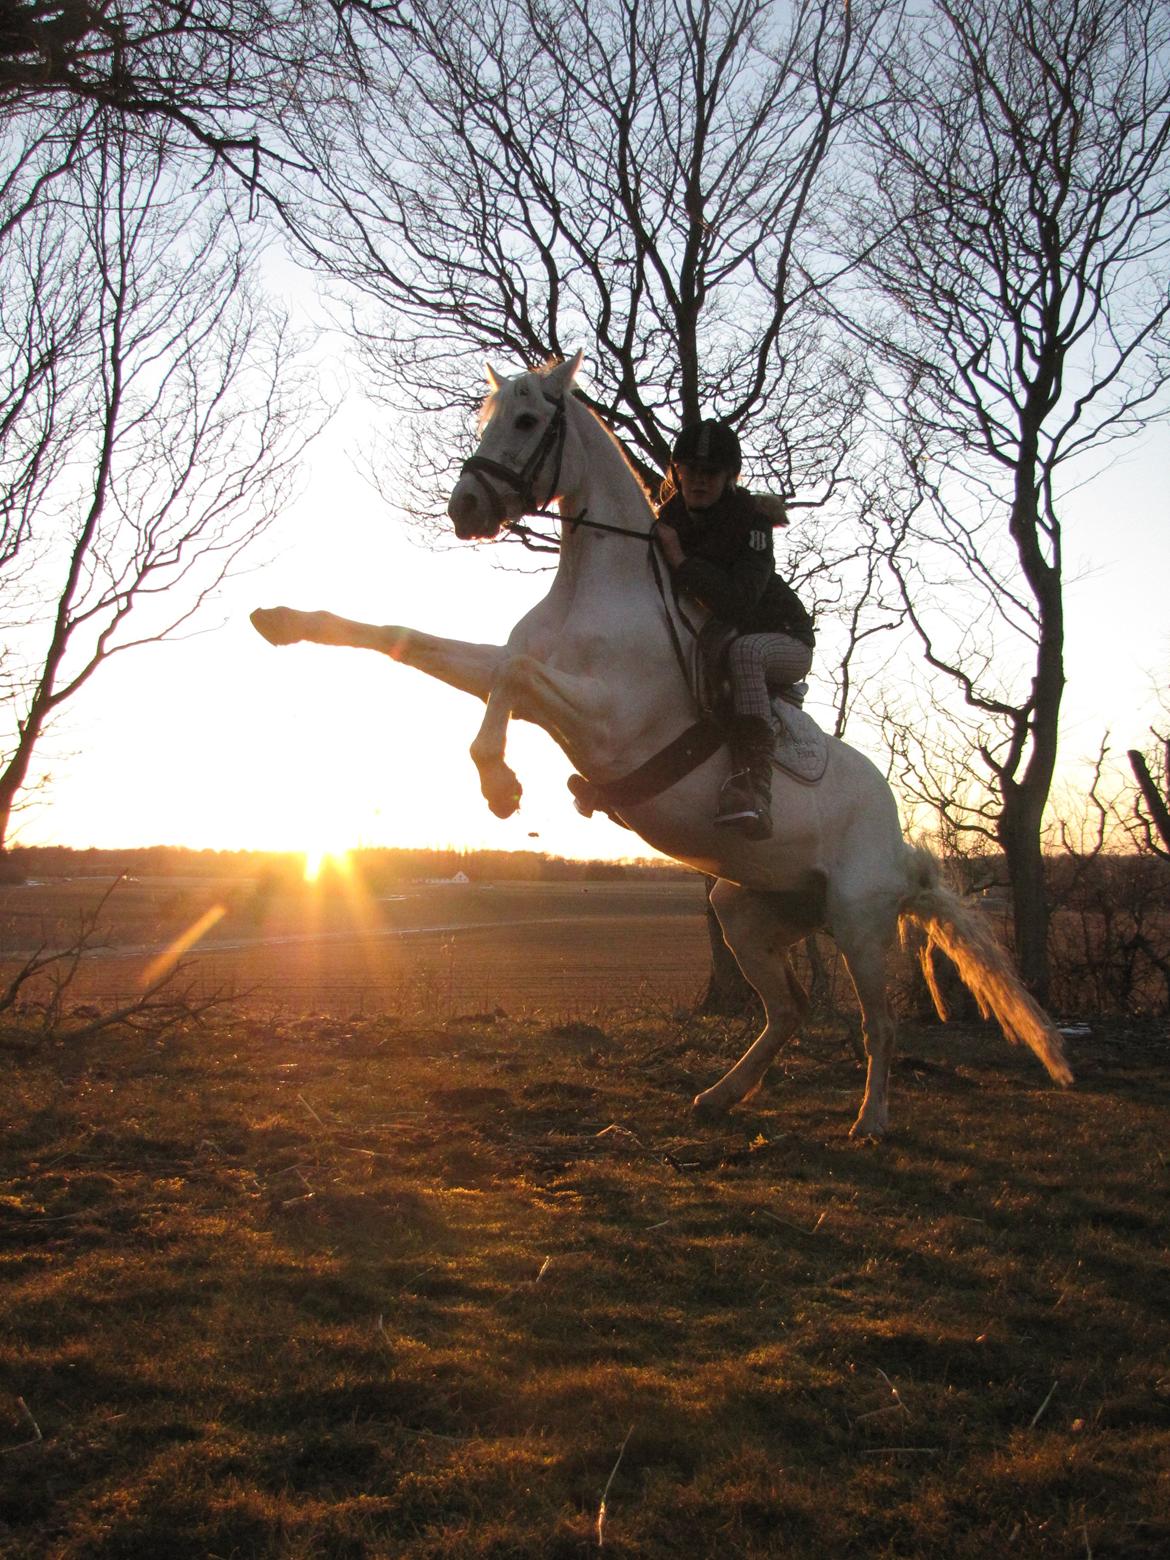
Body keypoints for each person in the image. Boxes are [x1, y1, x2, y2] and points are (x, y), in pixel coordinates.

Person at [654, 419, 814, 841]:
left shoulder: (753, 522)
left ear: (729, 477)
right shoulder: (668, 519)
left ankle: (754, 786)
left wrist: (682, 562)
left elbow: (740, 602)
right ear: (677, 473)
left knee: (746, 651)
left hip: (786, 639)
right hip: (722, 640)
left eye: (711, 473)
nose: (699, 480)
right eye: (690, 470)